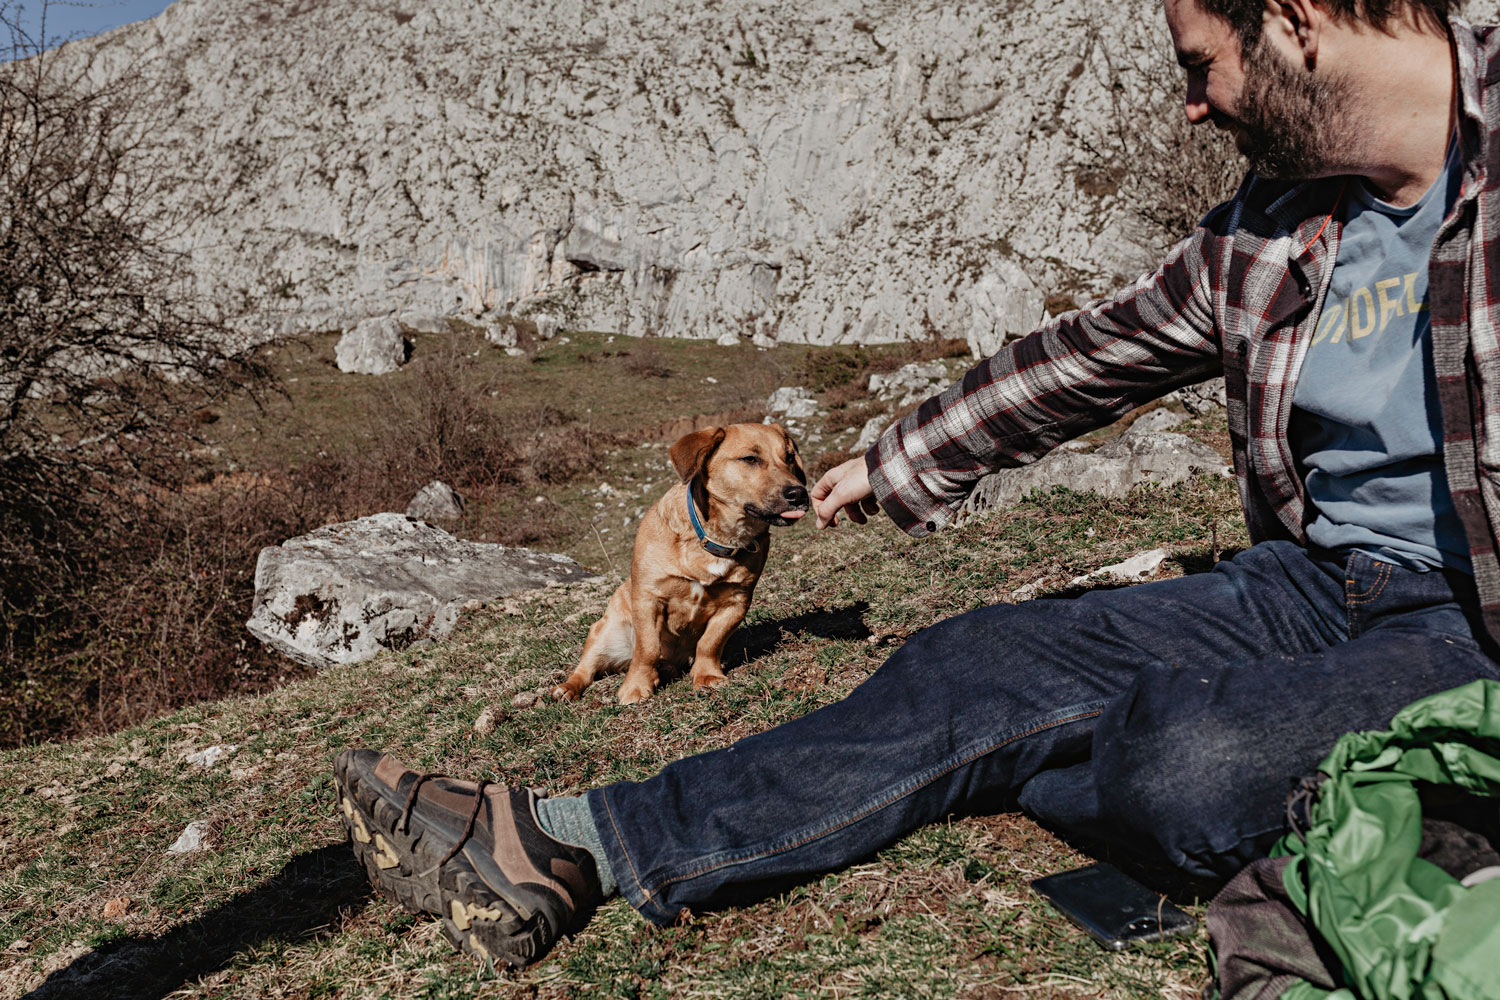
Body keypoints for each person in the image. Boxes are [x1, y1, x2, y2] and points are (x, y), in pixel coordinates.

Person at [333, 0, 1500, 969]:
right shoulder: (1274, 228)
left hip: (1476, 623)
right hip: (1305, 584)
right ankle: (576, 838)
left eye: (1203, 65)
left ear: (1294, 20)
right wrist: (894, 463)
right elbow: (1094, 354)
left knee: (1183, 765)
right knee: (972, 660)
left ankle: (1118, 760)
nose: (1194, 103)